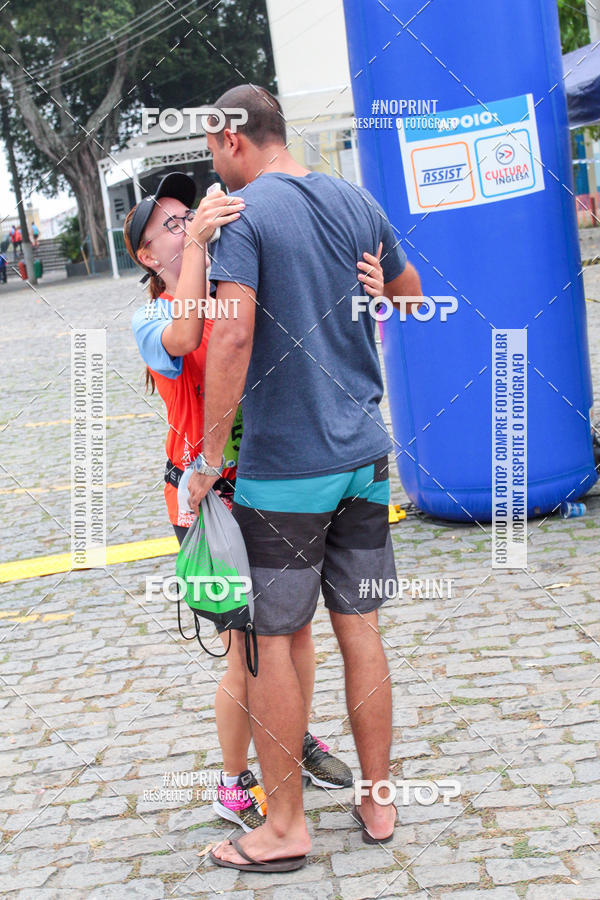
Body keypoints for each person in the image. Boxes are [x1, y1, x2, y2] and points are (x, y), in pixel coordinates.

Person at [178, 84, 423, 873]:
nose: (215, 168)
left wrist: (207, 459)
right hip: (364, 459)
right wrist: (378, 292)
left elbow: (230, 336)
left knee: (269, 644)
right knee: (361, 628)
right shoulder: (355, 201)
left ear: (233, 139)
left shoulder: (244, 216)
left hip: (287, 470)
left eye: (213, 150)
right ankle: (377, 799)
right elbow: (413, 299)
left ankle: (284, 828)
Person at [124, 172, 367, 830]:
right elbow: (184, 338)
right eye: (170, 226)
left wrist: (371, 285)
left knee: (293, 631)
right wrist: (199, 247)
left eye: (187, 214)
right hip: (207, 500)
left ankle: (287, 731)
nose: (185, 225)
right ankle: (233, 784)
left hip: (268, 482)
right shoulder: (152, 318)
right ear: (147, 255)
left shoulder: (232, 293)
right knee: (246, 649)